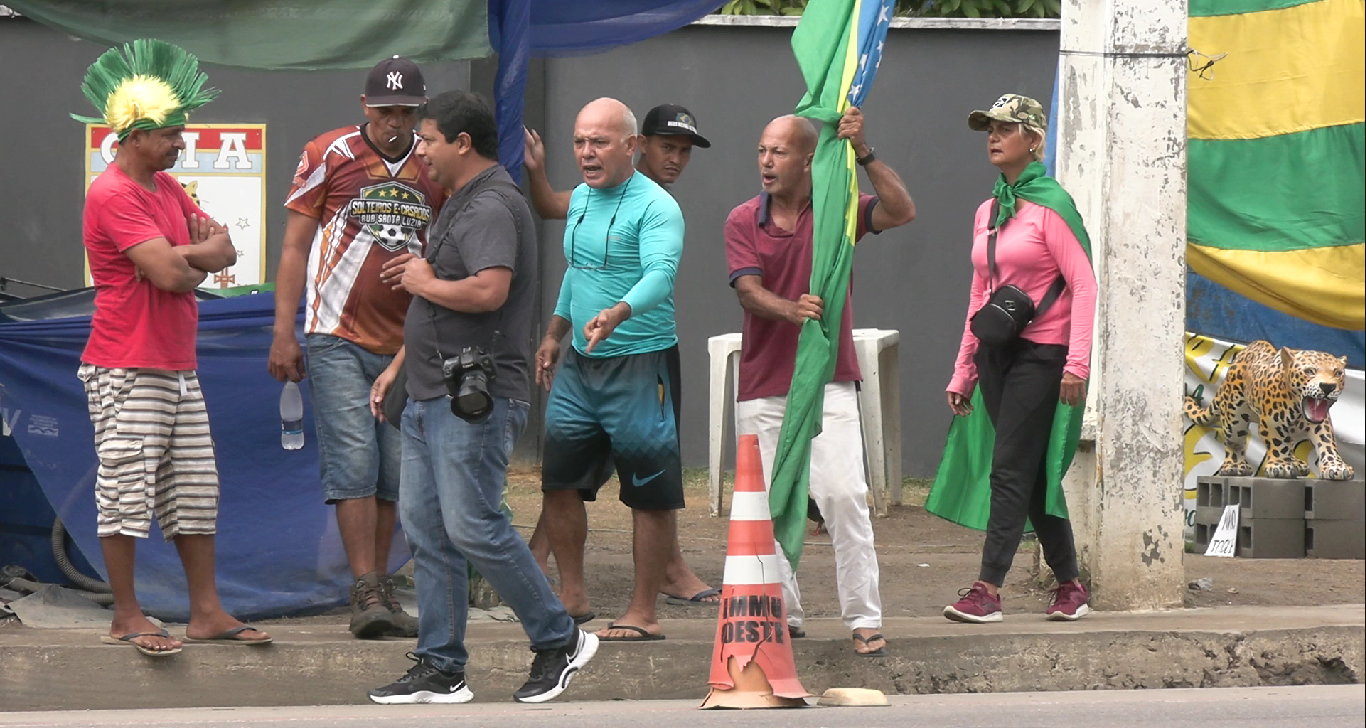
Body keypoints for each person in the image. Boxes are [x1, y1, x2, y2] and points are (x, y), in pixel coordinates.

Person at [367, 90, 597, 704]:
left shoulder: (494, 204)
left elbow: (489, 291)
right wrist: (396, 367)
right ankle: (442, 667)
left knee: (473, 525)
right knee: (428, 529)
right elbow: (439, 296)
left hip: (475, 396)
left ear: (462, 143)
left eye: (429, 138)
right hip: (427, 391)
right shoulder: (460, 201)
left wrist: (422, 279)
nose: (420, 149)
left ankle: (559, 638)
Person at [72, 39, 271, 656]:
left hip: (176, 364)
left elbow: (224, 249)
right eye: (171, 135)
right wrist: (185, 256)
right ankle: (126, 614)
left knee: (194, 488)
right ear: (135, 136)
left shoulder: (165, 189)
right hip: (126, 364)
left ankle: (205, 612)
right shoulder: (114, 194)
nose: (181, 144)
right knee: (125, 487)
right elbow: (174, 275)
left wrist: (181, 255)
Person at [723, 109, 915, 656]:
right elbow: (748, 292)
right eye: (762, 149)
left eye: (778, 151)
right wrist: (792, 310)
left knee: (843, 495)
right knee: (767, 504)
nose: (765, 160)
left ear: (809, 160)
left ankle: (864, 617)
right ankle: (784, 614)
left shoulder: (836, 214)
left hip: (829, 379)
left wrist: (865, 153)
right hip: (764, 384)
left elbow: (902, 211)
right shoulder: (742, 219)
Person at [268, 56, 445, 639]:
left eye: (407, 111)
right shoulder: (330, 153)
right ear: (365, 108)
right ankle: (366, 585)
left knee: (395, 469)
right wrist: (283, 330)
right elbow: (295, 245)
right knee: (353, 463)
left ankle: (383, 581)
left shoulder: (432, 160)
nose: (396, 121)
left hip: (405, 342)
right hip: (337, 333)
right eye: (386, 110)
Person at [523, 103, 719, 609]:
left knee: (648, 492)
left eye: (600, 142)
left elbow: (660, 275)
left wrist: (619, 312)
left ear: (630, 147)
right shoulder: (584, 199)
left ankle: (643, 611)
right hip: (580, 365)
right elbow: (577, 271)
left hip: (640, 362)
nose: (587, 153)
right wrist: (553, 333)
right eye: (580, 142)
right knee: (559, 482)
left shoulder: (657, 207)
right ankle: (572, 596)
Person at [942, 94, 1097, 623]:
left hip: (1044, 354)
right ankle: (1071, 585)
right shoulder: (989, 210)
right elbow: (978, 293)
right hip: (996, 354)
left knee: (1008, 469)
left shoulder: (1052, 205)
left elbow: (1084, 284)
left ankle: (988, 589)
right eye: (988, 127)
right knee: (1026, 476)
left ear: (1033, 140)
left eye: (1005, 128)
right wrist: (964, 367)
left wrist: (1077, 364)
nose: (993, 135)